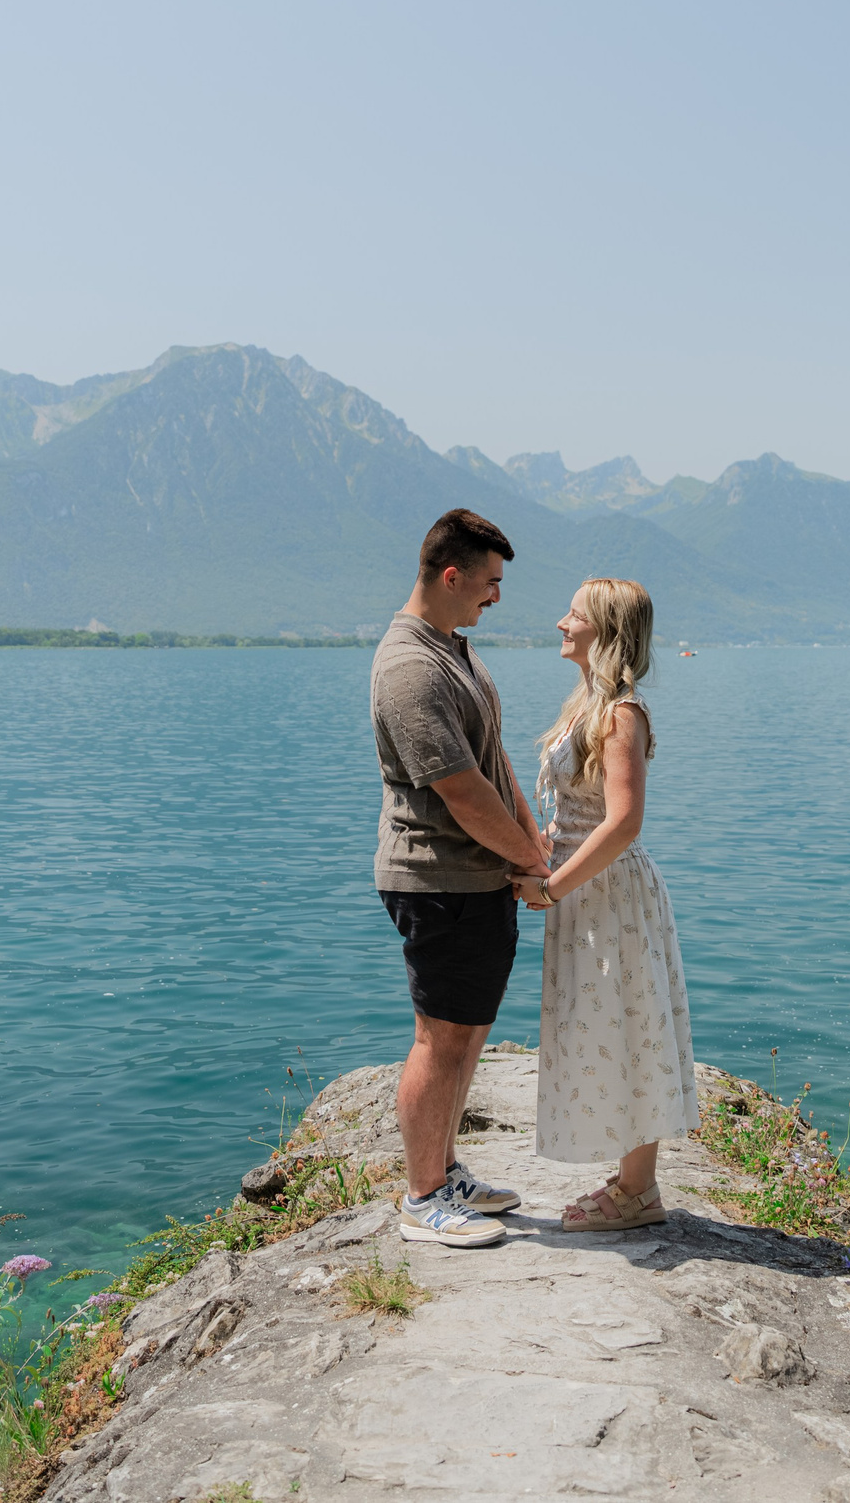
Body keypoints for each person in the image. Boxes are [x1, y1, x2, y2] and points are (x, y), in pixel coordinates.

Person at [370, 508, 551, 1247]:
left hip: (476, 877)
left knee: (468, 1033)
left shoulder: (453, 650)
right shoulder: (409, 666)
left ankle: (444, 1171)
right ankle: (422, 1199)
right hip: (436, 879)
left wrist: (531, 844)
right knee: (440, 1038)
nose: (496, 595)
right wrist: (528, 863)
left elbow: (491, 758)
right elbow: (461, 791)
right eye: (490, 582)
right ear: (452, 576)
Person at [513, 577, 698, 1231]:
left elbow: (622, 822)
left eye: (575, 615)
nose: (562, 623)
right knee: (609, 1024)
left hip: (609, 893)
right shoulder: (591, 704)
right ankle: (630, 1182)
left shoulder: (622, 714)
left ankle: (639, 1192)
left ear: (607, 631)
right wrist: (541, 850)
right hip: (586, 890)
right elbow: (578, 811)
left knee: (628, 1024)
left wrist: (551, 886)